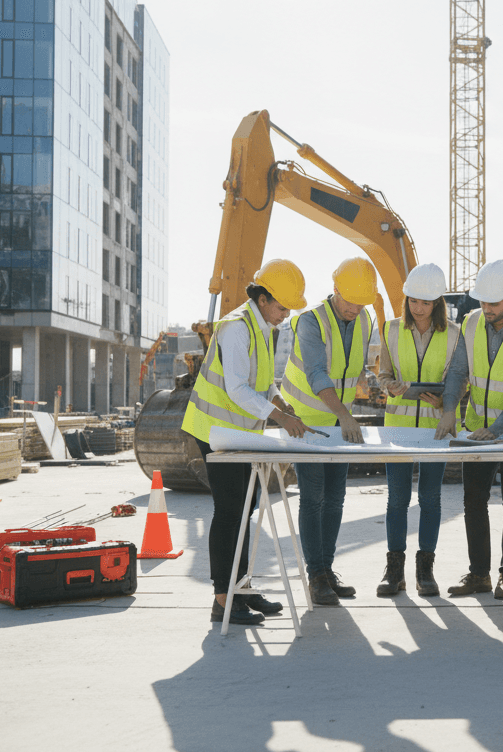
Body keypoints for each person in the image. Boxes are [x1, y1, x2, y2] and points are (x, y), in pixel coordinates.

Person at [180, 259, 316, 626]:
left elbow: (261, 382)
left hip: (237, 432)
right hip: (215, 431)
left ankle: (241, 587)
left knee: (245, 508)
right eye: (282, 307)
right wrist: (281, 418)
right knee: (229, 512)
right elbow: (237, 389)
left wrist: (281, 403)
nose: (285, 315)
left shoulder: (261, 327)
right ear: (263, 297)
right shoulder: (236, 329)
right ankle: (224, 600)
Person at [433, 259, 503, 601]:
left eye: (493, 303)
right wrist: (450, 409)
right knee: (473, 501)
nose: (487, 308)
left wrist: (496, 429)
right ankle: (479, 575)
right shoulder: (470, 322)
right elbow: (457, 372)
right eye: (482, 302)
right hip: (475, 430)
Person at [280, 257, 377, 606]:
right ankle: (316, 575)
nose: (355, 308)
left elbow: (355, 367)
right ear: (335, 290)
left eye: (361, 302)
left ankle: (328, 571)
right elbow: (317, 374)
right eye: (350, 300)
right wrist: (345, 414)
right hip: (305, 422)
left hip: (338, 422)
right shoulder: (310, 322)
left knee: (335, 497)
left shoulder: (364, 318)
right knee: (314, 497)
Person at [376, 263, 459, 597]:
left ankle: (425, 571)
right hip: (398, 428)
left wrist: (445, 403)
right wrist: (390, 387)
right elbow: (382, 374)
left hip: (435, 429)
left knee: (430, 498)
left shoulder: (454, 333)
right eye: (413, 301)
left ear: (436, 302)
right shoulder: (391, 329)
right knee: (396, 499)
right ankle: (394, 571)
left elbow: (458, 379)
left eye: (425, 302)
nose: (418, 308)